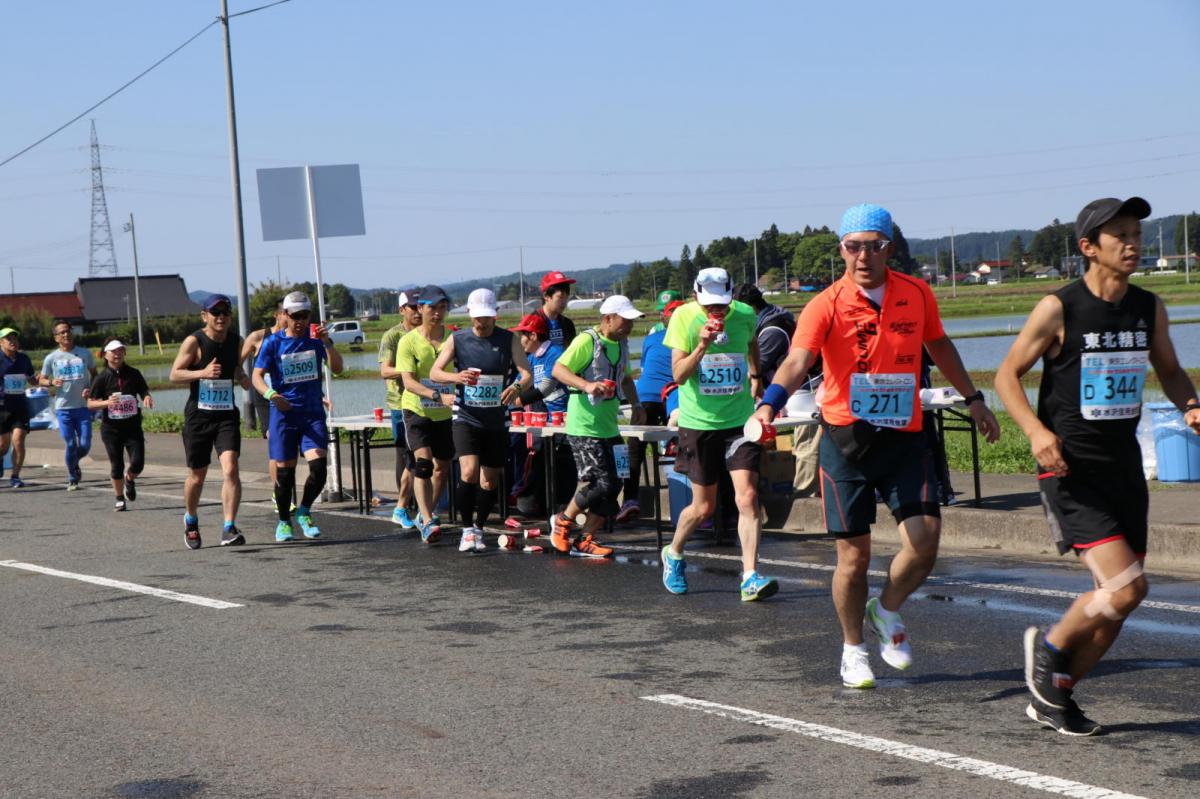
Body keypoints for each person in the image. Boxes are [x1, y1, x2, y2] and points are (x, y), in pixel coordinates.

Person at [753, 203, 1000, 689]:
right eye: (853, 246)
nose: (863, 255)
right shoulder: (825, 303)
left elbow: (940, 345)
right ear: (841, 250)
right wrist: (769, 403)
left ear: (890, 247)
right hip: (846, 441)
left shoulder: (917, 292)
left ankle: (885, 608)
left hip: (905, 436)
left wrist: (973, 397)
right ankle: (852, 648)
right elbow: (798, 357)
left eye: (874, 245)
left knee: (926, 543)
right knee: (854, 559)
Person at [995, 196, 1200, 736]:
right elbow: (1007, 377)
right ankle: (1051, 646)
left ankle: (1054, 697)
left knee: (1120, 602)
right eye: (1120, 236)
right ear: (1089, 248)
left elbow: (1172, 370)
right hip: (1070, 470)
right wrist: (1037, 433)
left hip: (1123, 470)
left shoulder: (1148, 307)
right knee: (1128, 587)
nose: (1133, 243)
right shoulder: (1058, 308)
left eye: (1137, 233)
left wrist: (1192, 405)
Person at [658, 268, 779, 602]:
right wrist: (702, 345)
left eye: (722, 305)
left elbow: (752, 342)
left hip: (739, 422)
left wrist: (755, 374)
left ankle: (750, 576)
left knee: (748, 497)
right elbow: (679, 376)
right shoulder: (683, 318)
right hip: (699, 425)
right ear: (696, 295)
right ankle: (675, 553)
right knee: (703, 507)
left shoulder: (744, 315)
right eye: (711, 305)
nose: (718, 311)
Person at [431, 288, 532, 552]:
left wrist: (518, 388)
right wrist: (457, 378)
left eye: (487, 317)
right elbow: (435, 372)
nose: (482, 322)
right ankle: (466, 529)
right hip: (466, 416)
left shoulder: (509, 339)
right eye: (477, 317)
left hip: (496, 419)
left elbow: (526, 373)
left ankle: (479, 527)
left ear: (495, 314)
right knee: (468, 471)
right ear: (469, 314)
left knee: (490, 481)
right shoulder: (458, 339)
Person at [550, 294, 646, 558]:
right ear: (608, 318)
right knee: (601, 483)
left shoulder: (622, 344)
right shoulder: (587, 341)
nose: (629, 327)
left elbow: (625, 378)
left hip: (609, 426)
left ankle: (586, 539)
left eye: (631, 322)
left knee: (616, 485)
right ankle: (563, 522)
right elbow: (558, 370)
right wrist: (587, 385)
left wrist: (636, 405)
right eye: (625, 321)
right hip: (584, 426)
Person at [253, 291, 344, 543]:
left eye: (304, 316)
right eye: (294, 316)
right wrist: (271, 394)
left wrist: (328, 343)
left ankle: (304, 511)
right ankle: (283, 521)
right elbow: (256, 376)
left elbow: (337, 368)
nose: (299, 321)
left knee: (318, 469)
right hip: (284, 415)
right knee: (285, 475)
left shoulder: (316, 341)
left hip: (312, 414)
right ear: (285, 315)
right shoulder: (273, 343)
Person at [169, 293, 249, 549]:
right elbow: (174, 374)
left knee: (231, 468)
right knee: (197, 476)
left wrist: (242, 377)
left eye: (226, 312)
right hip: (199, 416)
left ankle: (228, 527)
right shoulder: (195, 341)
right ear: (205, 316)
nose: (221, 317)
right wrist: (202, 372)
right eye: (216, 313)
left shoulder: (237, 341)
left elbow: (236, 367)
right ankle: (191, 520)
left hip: (226, 414)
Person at [615, 299, 683, 523]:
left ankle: (630, 499)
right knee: (686, 440)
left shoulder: (651, 338)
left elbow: (645, 367)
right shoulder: (689, 339)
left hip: (645, 395)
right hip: (674, 395)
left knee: (635, 449)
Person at [397, 285, 455, 543]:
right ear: (420, 309)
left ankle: (426, 512)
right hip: (417, 409)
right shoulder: (408, 341)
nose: (437, 313)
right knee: (423, 464)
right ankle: (428, 519)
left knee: (442, 467)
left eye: (442, 307)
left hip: (445, 413)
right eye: (432, 307)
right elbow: (408, 382)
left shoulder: (453, 339)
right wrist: (436, 395)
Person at [510, 312, 574, 517]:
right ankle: (546, 507)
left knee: (564, 465)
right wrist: (507, 393)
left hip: (565, 417)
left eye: (523, 335)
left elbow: (546, 386)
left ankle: (563, 510)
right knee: (543, 461)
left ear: (534, 336)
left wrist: (517, 400)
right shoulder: (530, 358)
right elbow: (520, 383)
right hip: (546, 420)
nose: (521, 340)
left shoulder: (555, 353)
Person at [87, 339, 153, 511]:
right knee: (117, 465)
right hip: (111, 429)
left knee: (138, 463)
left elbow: (144, 390)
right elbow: (90, 404)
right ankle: (119, 497)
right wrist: (107, 403)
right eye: (113, 351)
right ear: (105, 355)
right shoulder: (101, 378)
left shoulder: (134, 373)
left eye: (120, 351)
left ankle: (129, 480)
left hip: (132, 427)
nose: (117, 354)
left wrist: (146, 397)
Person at [378, 290, 423, 527]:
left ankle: (418, 507)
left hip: (427, 403)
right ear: (402, 310)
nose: (417, 312)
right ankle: (403, 506)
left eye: (419, 306)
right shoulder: (392, 336)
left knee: (424, 457)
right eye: (412, 307)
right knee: (409, 458)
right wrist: (407, 370)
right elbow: (384, 370)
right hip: (400, 403)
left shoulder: (426, 334)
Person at [38, 320, 97, 490]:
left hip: (83, 407)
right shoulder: (51, 358)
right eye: (62, 332)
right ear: (56, 337)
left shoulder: (84, 354)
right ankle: (72, 476)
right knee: (71, 443)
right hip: (63, 408)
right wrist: (51, 382)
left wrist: (90, 389)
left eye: (68, 330)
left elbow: (95, 375)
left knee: (84, 445)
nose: (66, 334)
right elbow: (41, 379)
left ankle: (73, 461)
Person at [732, 283, 796, 385]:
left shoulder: (772, 331)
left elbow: (756, 368)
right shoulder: (767, 315)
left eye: (736, 310)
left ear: (751, 307)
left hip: (784, 389)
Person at [241, 301, 288, 439]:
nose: (289, 319)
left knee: (287, 439)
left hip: (289, 392)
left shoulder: (296, 338)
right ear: (277, 315)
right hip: (265, 395)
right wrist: (242, 378)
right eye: (286, 314)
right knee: (274, 435)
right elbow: (237, 362)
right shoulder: (258, 337)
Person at [1, 327, 37, 487]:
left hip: (20, 405)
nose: (13, 341)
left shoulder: (23, 359)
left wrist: (46, 381)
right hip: (1, 407)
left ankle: (15, 476)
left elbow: (32, 379)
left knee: (18, 440)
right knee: (3, 445)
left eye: (15, 338)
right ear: (1, 342)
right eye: (9, 339)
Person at [534, 271, 577, 347]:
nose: (564, 301)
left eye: (566, 297)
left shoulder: (568, 324)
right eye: (560, 297)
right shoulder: (532, 323)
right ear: (546, 296)